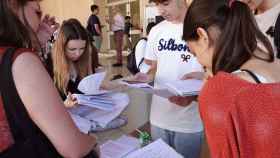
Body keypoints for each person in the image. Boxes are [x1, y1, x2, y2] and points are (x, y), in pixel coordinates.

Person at [0, 0, 98, 157]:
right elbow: (73, 147)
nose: (40, 22)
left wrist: (34, 42)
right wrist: (93, 141)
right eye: (37, 12)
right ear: (12, 4)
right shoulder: (21, 61)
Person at [182, 0, 280, 157]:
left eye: (194, 53)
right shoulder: (273, 62)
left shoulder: (221, 91)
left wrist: (211, 91)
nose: (200, 62)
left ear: (203, 36)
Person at [134, 0, 204, 157]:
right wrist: (147, 76)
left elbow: (216, 72)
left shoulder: (203, 28)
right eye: (157, 5)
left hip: (189, 121)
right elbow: (155, 68)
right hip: (158, 117)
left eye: (165, 4)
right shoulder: (157, 31)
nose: (160, 11)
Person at [52, 18, 94, 107]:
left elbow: (88, 89)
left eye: (82, 48)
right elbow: (46, 107)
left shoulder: (83, 58)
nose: (78, 54)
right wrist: (65, 105)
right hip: (63, 113)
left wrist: (89, 60)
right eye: (72, 49)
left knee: (122, 98)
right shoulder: (50, 63)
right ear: (62, 47)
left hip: (83, 108)